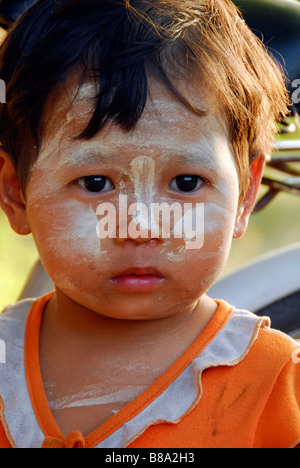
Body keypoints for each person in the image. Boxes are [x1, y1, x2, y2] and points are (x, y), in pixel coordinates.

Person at [0, 0, 299, 449]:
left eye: (186, 182)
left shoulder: (279, 389)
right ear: (15, 194)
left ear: (244, 197)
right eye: (96, 182)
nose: (140, 226)